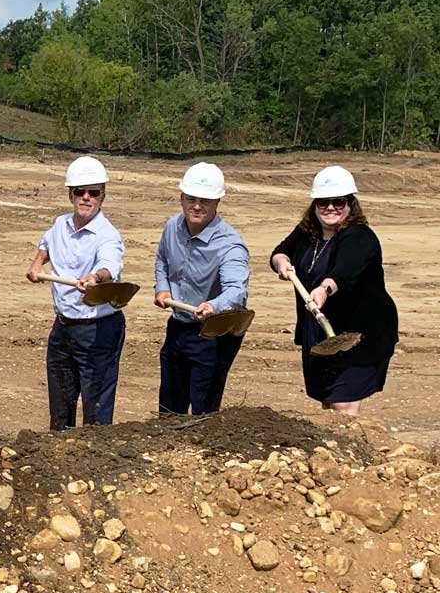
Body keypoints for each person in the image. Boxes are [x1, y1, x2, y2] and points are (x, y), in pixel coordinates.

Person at [269, 165, 398, 416]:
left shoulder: (360, 237)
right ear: (314, 205)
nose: (330, 208)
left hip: (360, 333)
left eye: (338, 202)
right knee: (328, 399)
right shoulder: (308, 233)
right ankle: (333, 451)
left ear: (351, 204)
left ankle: (349, 451)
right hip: (321, 331)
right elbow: (280, 251)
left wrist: (324, 289)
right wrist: (281, 262)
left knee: (343, 402)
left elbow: (346, 271)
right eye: (323, 202)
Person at [26, 155, 126, 430]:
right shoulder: (60, 225)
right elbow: (46, 242)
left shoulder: (107, 235)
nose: (86, 198)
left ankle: (95, 461)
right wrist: (37, 263)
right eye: (80, 192)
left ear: (102, 197)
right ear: (70, 195)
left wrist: (95, 276)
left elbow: (110, 265)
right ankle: (60, 455)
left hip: (98, 330)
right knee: (60, 404)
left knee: (96, 409)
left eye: (93, 193)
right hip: (63, 328)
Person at [153, 163, 249, 416]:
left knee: (203, 410)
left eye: (205, 200)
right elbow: (162, 259)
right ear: (181, 198)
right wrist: (163, 288)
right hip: (179, 324)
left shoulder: (230, 245)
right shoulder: (172, 227)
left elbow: (236, 291)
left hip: (214, 334)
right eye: (191, 199)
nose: (197, 206)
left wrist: (213, 305)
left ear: (217, 201)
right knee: (170, 405)